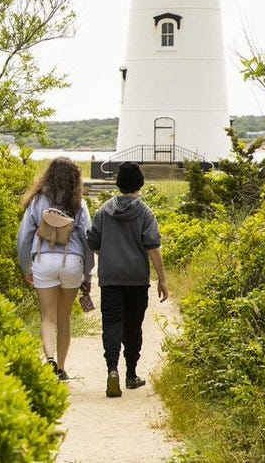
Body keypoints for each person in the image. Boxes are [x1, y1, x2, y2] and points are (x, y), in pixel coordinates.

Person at [87, 161, 168, 397]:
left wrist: (109, 255)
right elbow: (153, 247)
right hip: (136, 278)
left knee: (111, 324)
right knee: (133, 327)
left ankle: (112, 370)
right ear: (140, 184)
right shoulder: (145, 212)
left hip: (110, 278)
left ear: (118, 183)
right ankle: (131, 375)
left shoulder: (104, 211)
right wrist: (162, 279)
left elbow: (92, 241)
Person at [17, 157, 95, 380]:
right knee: (64, 318)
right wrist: (87, 273)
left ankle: (49, 358)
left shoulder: (37, 201)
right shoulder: (78, 204)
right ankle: (61, 369)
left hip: (43, 260)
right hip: (71, 262)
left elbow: (23, 238)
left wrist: (26, 267)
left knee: (47, 317)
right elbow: (88, 239)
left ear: (48, 176)